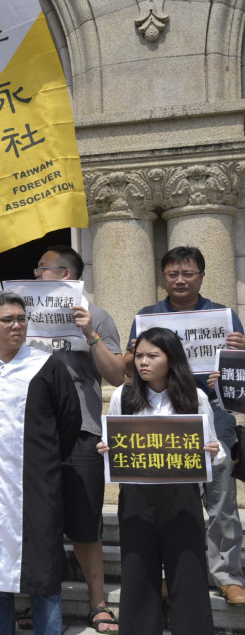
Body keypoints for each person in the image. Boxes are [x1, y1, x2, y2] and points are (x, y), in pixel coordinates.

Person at [123, 246, 245, 606]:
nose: (180, 280)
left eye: (188, 273)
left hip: (213, 420)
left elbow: (238, 378)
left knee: (220, 500)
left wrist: (241, 352)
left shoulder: (223, 317)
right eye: (173, 274)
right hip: (159, 424)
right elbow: (131, 370)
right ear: (163, 277)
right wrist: (132, 354)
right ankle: (164, 574)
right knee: (163, 500)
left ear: (201, 277)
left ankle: (228, 576)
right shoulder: (147, 317)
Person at [0, 291, 80, 635]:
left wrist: (42, 460)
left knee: (43, 570)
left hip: (37, 485)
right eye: (8, 320)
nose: (17, 326)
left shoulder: (46, 365)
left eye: (21, 319)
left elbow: (69, 421)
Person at [98, 326, 222, 634]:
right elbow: (110, 446)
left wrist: (213, 450)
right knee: (138, 573)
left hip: (181, 497)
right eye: (139, 356)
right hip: (136, 496)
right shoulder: (123, 396)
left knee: (188, 572)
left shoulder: (195, 398)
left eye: (153, 356)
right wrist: (105, 449)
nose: (143, 363)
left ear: (171, 359)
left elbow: (214, 452)